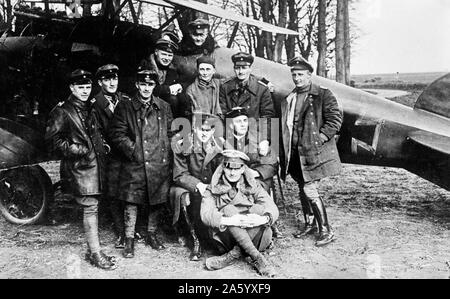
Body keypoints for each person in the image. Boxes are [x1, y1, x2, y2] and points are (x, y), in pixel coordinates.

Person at [45, 69, 117, 270]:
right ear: (72, 88)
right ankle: (95, 253)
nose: (85, 91)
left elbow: (96, 132)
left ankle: (92, 249)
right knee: (91, 207)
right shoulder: (62, 111)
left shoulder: (89, 107)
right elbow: (53, 141)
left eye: (88, 87)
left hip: (96, 166)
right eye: (81, 87)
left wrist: (102, 146)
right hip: (80, 168)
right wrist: (78, 149)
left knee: (94, 206)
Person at [108, 67, 174, 258]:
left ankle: (151, 234)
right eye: (143, 84)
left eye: (150, 84)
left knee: (156, 200)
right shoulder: (125, 106)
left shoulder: (164, 106)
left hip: (158, 161)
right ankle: (129, 239)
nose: (146, 88)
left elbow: (170, 132)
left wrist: (166, 151)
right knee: (132, 200)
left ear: (154, 86)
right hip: (135, 162)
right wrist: (134, 149)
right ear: (137, 85)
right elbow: (116, 133)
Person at [280, 56, 342, 247]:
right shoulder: (290, 97)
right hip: (295, 153)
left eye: (300, 75)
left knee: (310, 188)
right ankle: (310, 223)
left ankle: (326, 230)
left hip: (313, 152)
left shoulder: (323, 95)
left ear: (309, 75)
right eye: (294, 75)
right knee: (301, 186)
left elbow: (335, 120)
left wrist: (319, 139)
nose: (297, 78)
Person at [200, 150, 279, 277]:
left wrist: (262, 220)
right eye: (228, 168)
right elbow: (206, 215)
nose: (232, 172)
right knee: (229, 210)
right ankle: (257, 258)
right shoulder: (213, 188)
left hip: (257, 239)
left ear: (243, 169)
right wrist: (231, 221)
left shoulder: (253, 185)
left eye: (237, 168)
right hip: (227, 239)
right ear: (223, 168)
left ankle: (233, 255)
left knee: (258, 209)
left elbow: (272, 208)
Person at [170, 112, 223, 261]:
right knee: (194, 201)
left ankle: (216, 238)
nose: (205, 133)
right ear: (194, 129)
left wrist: (213, 187)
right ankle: (196, 239)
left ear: (213, 130)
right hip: (192, 186)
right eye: (201, 130)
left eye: (208, 130)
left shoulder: (219, 145)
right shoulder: (182, 145)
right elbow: (179, 174)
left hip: (212, 187)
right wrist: (198, 185)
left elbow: (222, 170)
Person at [90, 64, 130, 248]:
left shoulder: (125, 99)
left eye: (114, 78)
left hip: (127, 153)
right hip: (110, 155)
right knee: (113, 193)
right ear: (100, 82)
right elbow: (95, 132)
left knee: (129, 191)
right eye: (107, 79)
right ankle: (121, 232)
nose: (112, 82)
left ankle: (131, 228)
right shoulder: (95, 104)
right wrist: (105, 148)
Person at [220, 52, 275, 156]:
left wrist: (264, 140)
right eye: (237, 68)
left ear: (250, 68)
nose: (240, 72)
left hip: (254, 137)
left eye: (244, 68)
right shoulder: (225, 87)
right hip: (232, 137)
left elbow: (267, 117)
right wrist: (222, 136)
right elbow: (222, 114)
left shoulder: (262, 89)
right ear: (234, 68)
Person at [140, 38, 190, 118]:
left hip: (163, 106)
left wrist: (180, 86)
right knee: (172, 100)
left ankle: (180, 127)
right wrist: (169, 89)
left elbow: (187, 79)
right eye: (163, 54)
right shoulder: (146, 66)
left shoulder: (172, 69)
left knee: (183, 98)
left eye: (170, 55)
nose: (167, 58)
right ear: (156, 52)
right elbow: (147, 88)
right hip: (145, 104)